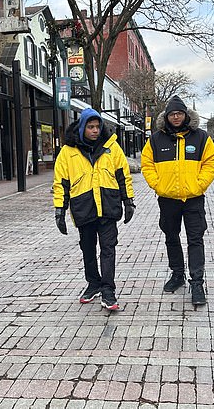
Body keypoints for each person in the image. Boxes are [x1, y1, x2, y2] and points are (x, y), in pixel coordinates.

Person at [53, 108, 135, 311]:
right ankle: (93, 283)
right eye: (91, 127)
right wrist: (59, 211)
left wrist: (129, 201)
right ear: (82, 128)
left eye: (98, 127)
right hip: (84, 207)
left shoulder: (112, 147)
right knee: (88, 249)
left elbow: (123, 176)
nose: (95, 131)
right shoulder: (67, 152)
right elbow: (61, 183)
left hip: (108, 206)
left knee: (108, 249)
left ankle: (108, 290)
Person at [141, 95, 214, 305]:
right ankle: (177, 274)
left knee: (195, 239)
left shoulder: (201, 137)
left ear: (185, 115)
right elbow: (147, 164)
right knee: (171, 237)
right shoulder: (156, 139)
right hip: (168, 200)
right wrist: (158, 185)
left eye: (179, 113)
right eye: (172, 114)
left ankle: (197, 283)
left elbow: (212, 163)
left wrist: (199, 185)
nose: (176, 117)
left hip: (193, 199)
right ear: (166, 117)